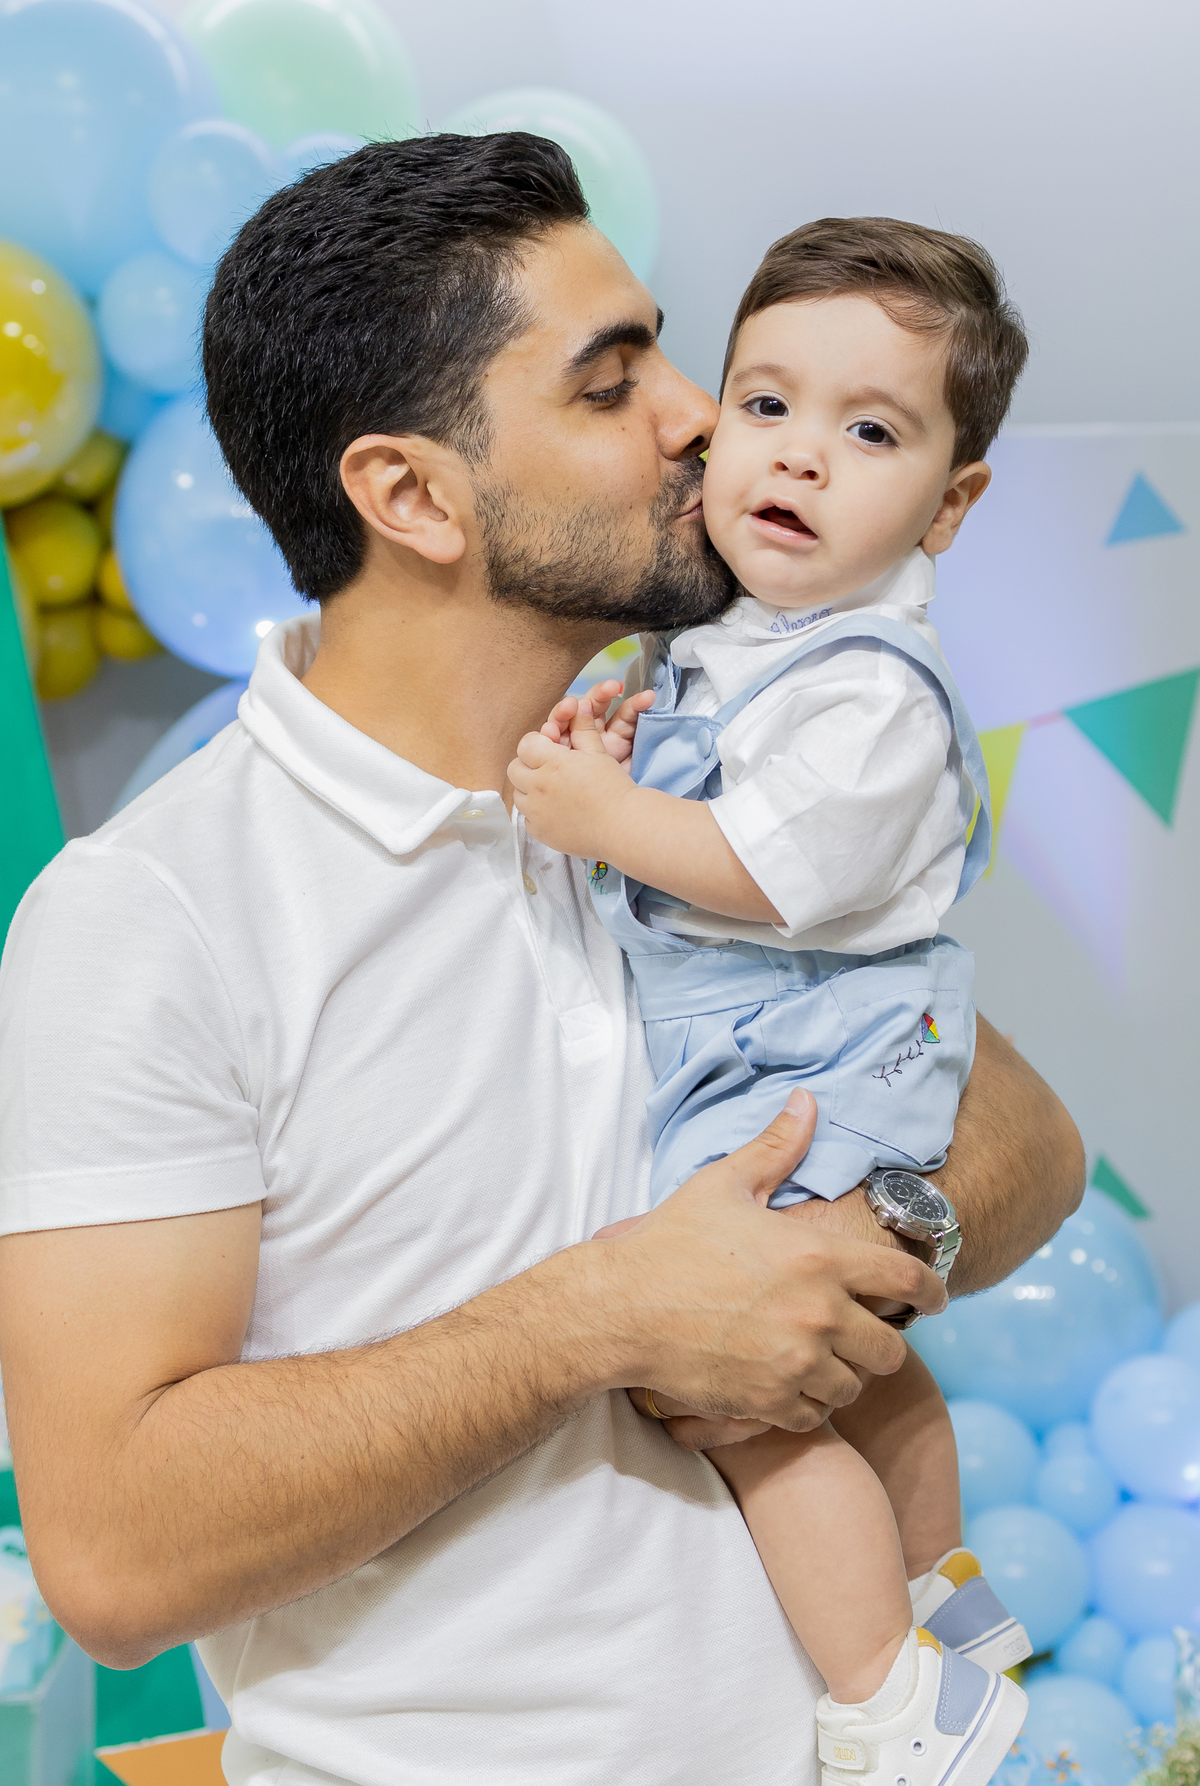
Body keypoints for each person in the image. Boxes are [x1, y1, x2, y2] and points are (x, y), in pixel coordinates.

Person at [0, 137, 1083, 1786]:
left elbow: (1032, 1147)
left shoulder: (683, 763)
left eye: (668, 353)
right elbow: (116, 1559)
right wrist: (604, 1320)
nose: (702, 419)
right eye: (610, 383)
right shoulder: (154, 916)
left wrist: (857, 1234)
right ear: (412, 496)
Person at [510, 217, 1035, 1786]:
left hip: (812, 1062)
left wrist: (602, 818)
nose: (799, 455)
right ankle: (952, 1607)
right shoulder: (735, 639)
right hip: (783, 1053)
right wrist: (621, 745)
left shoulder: (872, 684)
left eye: (869, 433)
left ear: (950, 505)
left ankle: (892, 1694)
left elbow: (762, 867)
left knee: (730, 1388)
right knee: (864, 1365)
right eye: (766, 404)